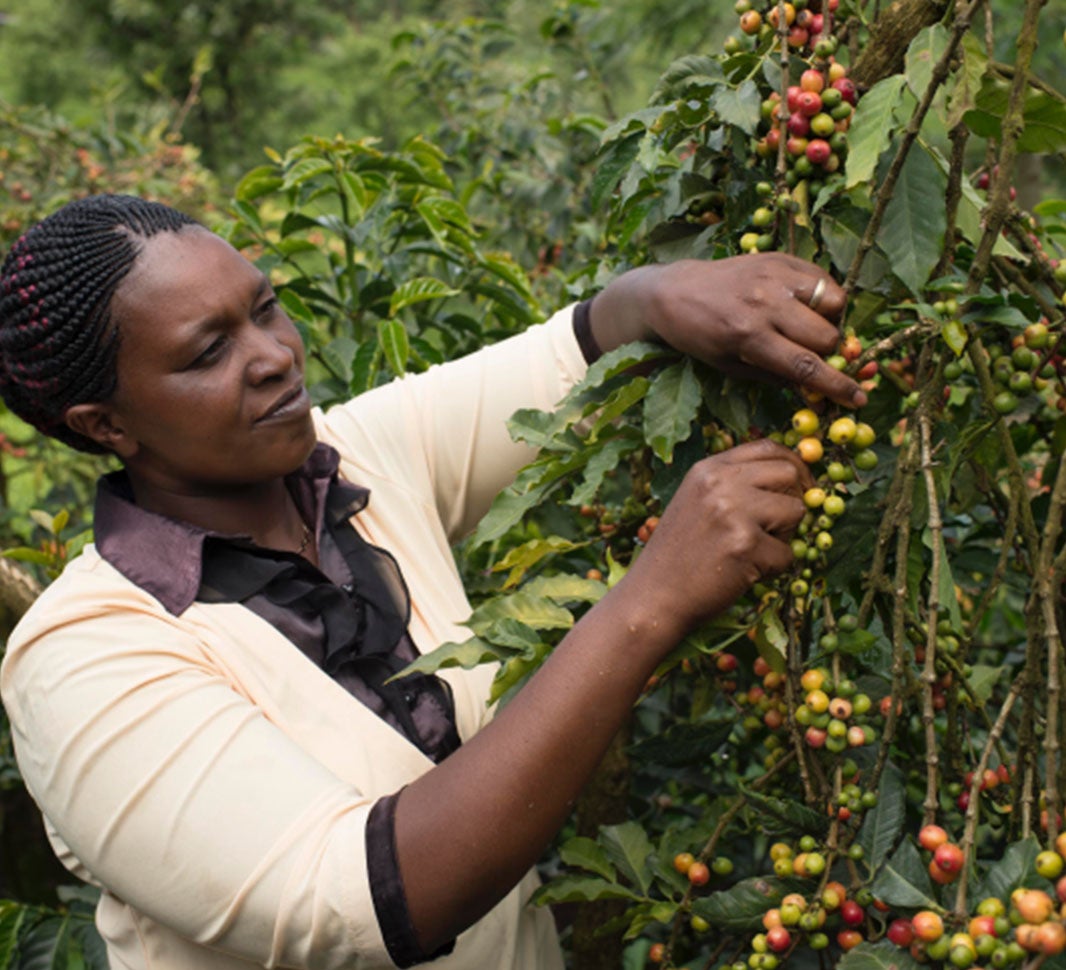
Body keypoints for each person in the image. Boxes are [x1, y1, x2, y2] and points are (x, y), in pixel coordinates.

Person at [0, 194, 859, 970]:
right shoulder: (83, 661)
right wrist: (650, 602)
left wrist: (662, 293)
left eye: (265, 309)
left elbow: (576, 353)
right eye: (207, 353)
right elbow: (368, 903)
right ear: (106, 425)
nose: (274, 357)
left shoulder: (351, 461)